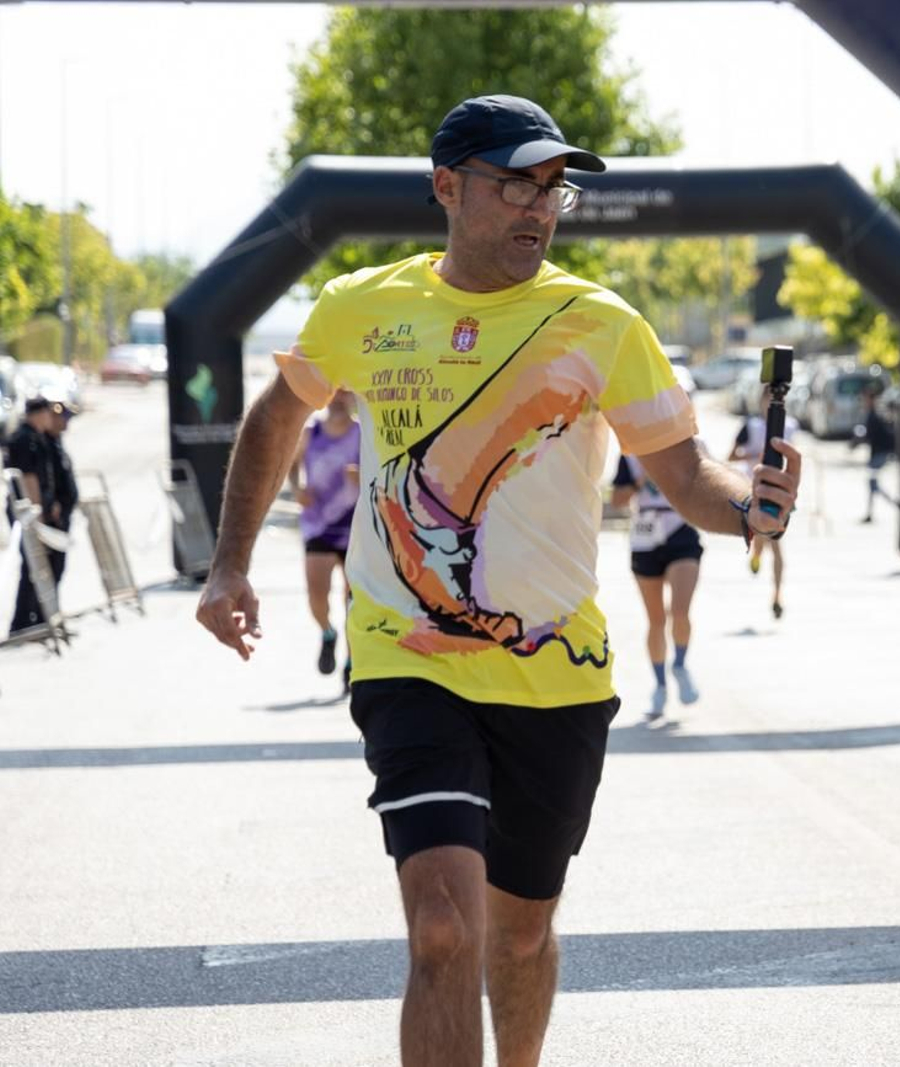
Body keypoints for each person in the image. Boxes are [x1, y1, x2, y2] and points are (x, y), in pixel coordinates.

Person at [194, 94, 800, 1067]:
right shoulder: (363, 307)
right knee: (441, 926)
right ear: (447, 186)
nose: (539, 205)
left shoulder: (600, 323)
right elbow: (276, 418)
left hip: (555, 671)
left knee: (518, 932)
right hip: (408, 656)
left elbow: (686, 474)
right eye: (515, 182)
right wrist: (228, 564)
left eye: (553, 187)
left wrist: (751, 507)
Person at [611, 452, 702, 721]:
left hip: (680, 531)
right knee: (656, 619)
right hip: (645, 534)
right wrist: (642, 480)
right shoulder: (630, 456)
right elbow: (616, 500)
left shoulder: (692, 447)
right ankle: (660, 686)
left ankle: (680, 665)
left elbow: (708, 489)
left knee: (680, 611)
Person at [287, 388, 361, 689]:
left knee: (353, 601)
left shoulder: (364, 433)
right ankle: (327, 633)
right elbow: (291, 464)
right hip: (318, 525)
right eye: (334, 393)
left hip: (356, 527)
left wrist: (363, 474)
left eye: (345, 394)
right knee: (316, 594)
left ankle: (351, 662)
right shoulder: (310, 432)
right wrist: (296, 489)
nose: (339, 399)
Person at [8, 397, 77, 635]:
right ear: (39, 413)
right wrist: (40, 515)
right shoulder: (26, 440)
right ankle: (24, 624)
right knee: (33, 568)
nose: (51, 418)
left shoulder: (39, 438)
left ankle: (39, 620)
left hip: (37, 514)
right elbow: (29, 480)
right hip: (31, 516)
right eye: (48, 413)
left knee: (41, 568)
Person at [729, 386, 799, 619]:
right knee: (760, 537)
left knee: (776, 543)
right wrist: (752, 455)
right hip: (753, 492)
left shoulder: (789, 426)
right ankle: (756, 556)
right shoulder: (751, 426)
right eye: (767, 397)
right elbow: (731, 455)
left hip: (778, 495)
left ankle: (777, 595)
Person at [855, 387, 898, 523]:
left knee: (873, 484)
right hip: (877, 452)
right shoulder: (874, 413)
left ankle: (895, 503)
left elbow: (874, 434)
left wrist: (858, 440)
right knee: (872, 484)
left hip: (879, 453)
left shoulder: (876, 414)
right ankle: (871, 512)